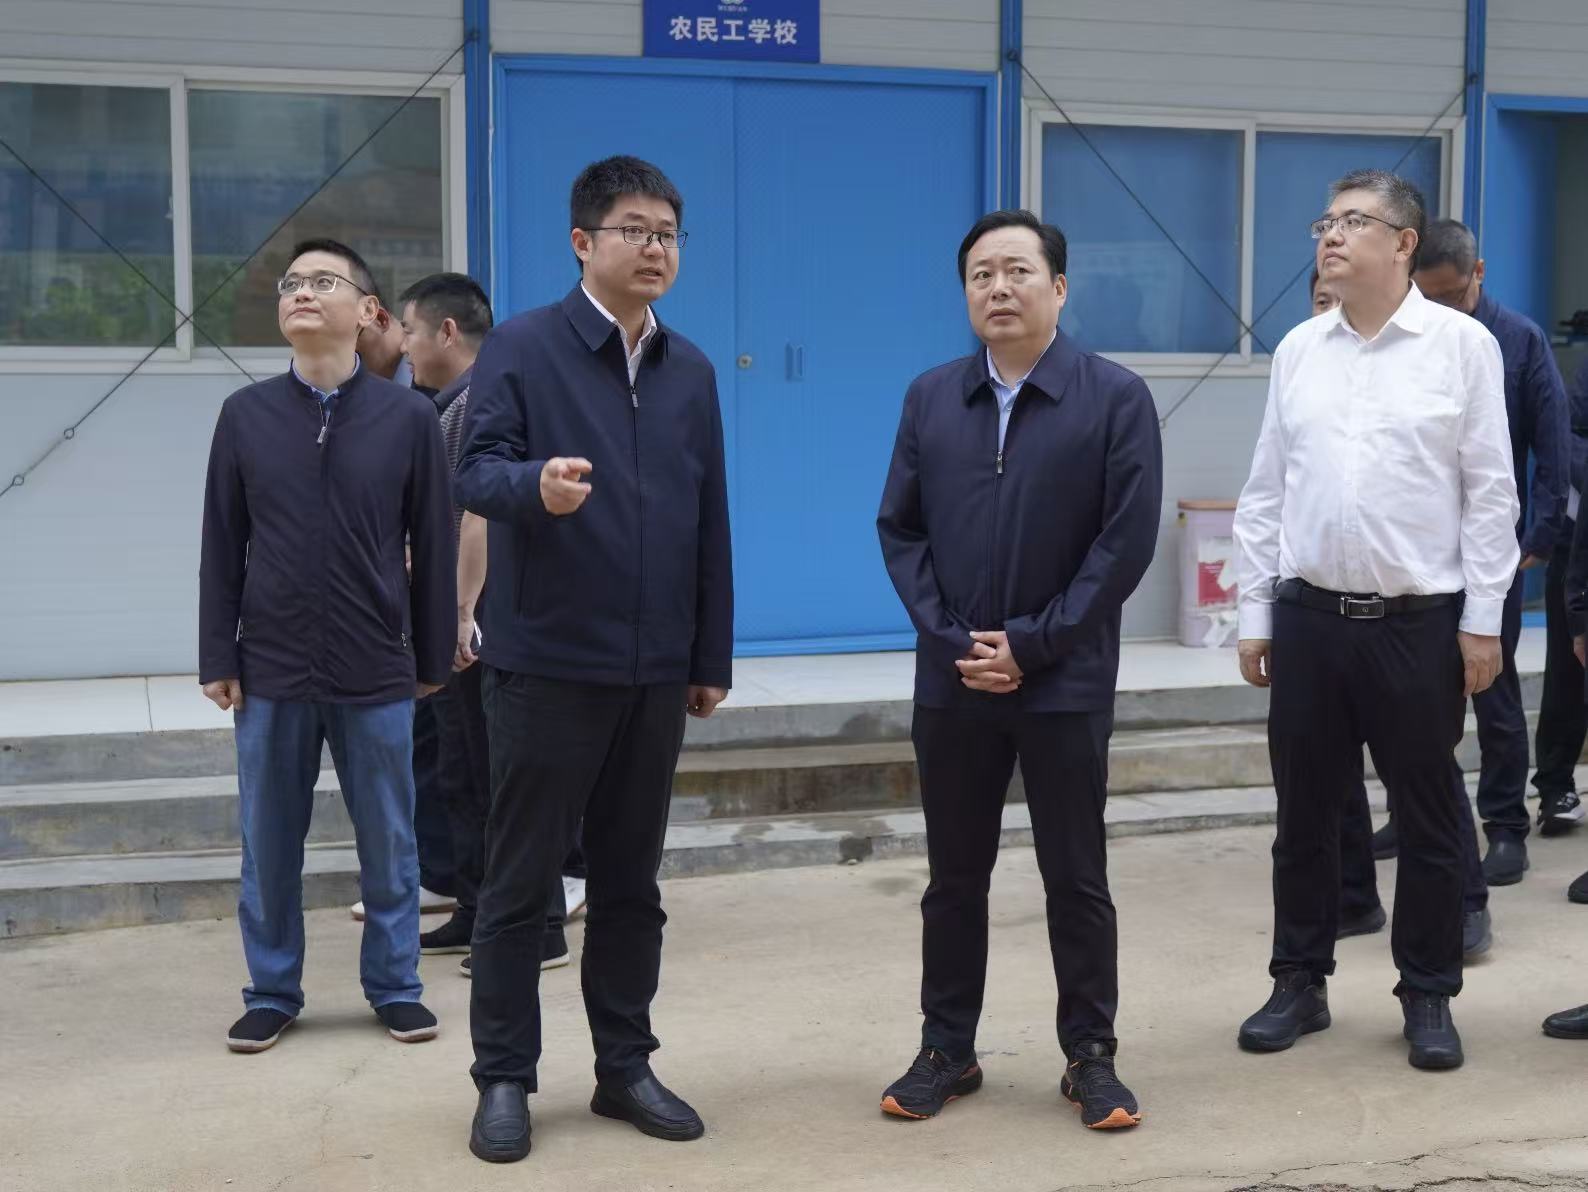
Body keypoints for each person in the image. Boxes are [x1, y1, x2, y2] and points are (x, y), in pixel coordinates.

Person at [454, 156, 733, 1164]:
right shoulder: (525, 347)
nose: (654, 247)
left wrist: (708, 653)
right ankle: (504, 1078)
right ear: (582, 242)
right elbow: (474, 471)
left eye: (667, 232)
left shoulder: (690, 370)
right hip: (547, 664)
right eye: (633, 229)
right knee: (520, 882)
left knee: (630, 882)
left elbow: (709, 518)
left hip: (652, 672)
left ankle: (624, 1066)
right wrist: (535, 485)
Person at [876, 209, 1163, 1130]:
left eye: (1017, 271)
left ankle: (1091, 1056)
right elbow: (901, 530)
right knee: (953, 879)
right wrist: (954, 641)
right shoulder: (931, 397)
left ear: (1059, 288)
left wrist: (1035, 643)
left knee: (1075, 876)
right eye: (980, 276)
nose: (998, 288)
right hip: (954, 681)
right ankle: (946, 1049)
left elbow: (1124, 543)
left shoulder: (1114, 398)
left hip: (1063, 680)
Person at [1233, 171, 1517, 1071]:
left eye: (1354, 221)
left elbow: (1490, 492)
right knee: (1304, 815)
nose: (1330, 235)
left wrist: (1482, 622)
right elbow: (1266, 490)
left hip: (1417, 625)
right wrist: (1255, 612)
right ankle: (1298, 981)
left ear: (1403, 243)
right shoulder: (1298, 350)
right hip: (1310, 620)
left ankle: (1427, 992)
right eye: (1325, 220)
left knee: (1429, 818)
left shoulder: (1461, 347)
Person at [199, 238, 456, 1055]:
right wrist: (218, 654)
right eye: (292, 283)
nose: (301, 292)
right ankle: (272, 991)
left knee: (390, 838)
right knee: (269, 841)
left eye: (323, 281)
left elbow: (435, 543)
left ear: (368, 311)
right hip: (271, 665)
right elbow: (222, 543)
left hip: (375, 662)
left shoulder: (408, 420)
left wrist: (431, 657)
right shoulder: (245, 416)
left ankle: (396, 987)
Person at [1365, 220, 1572, 887]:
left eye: (1451, 295)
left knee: (1494, 690)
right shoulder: (1403, 337)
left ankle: (1506, 826)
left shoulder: (1518, 340)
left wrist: (1537, 535)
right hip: (1414, 552)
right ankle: (1409, 812)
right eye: (1427, 296)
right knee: (1408, 695)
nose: (1440, 308)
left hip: (1489, 552)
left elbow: (1553, 445)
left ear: (1478, 273)